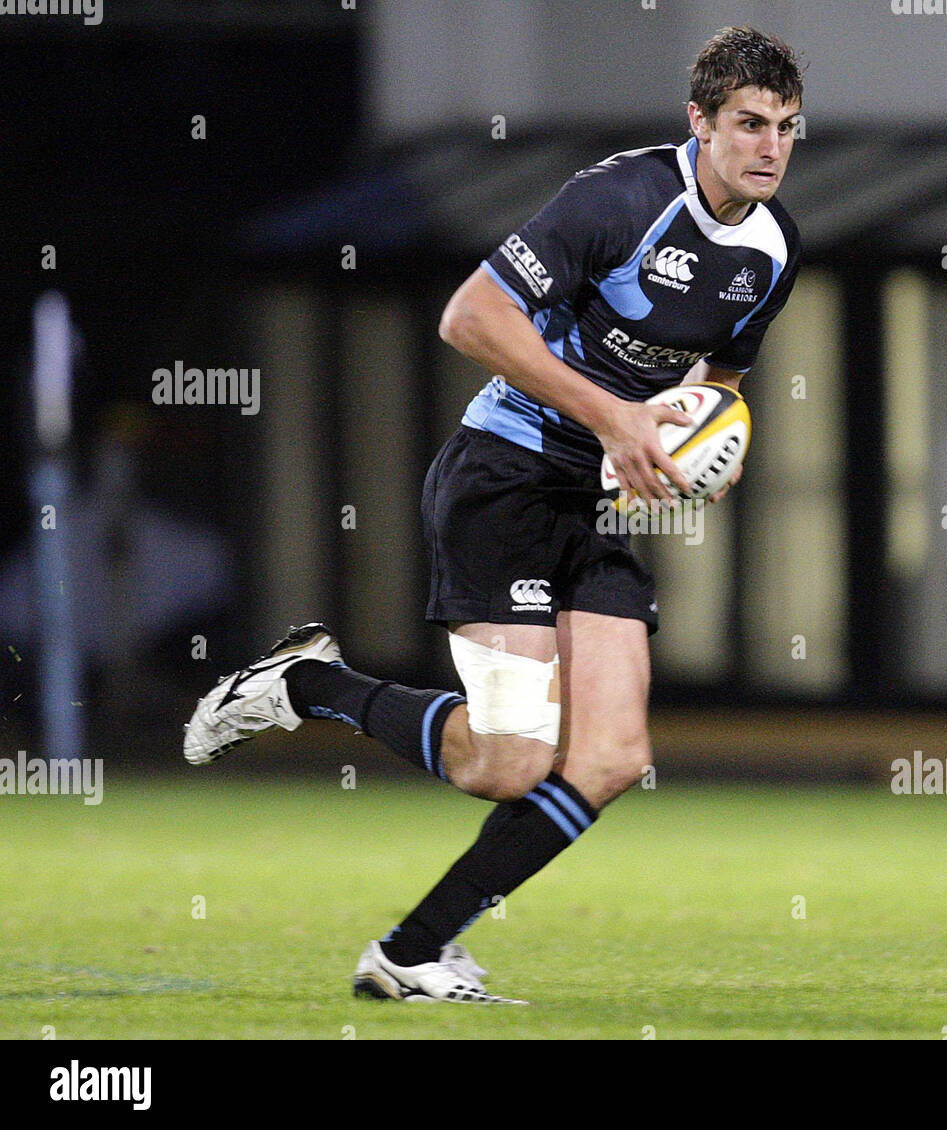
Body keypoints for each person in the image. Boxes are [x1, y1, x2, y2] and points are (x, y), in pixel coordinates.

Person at [183, 26, 803, 1004]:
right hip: (504, 480)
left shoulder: (773, 249)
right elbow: (469, 316)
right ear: (700, 121)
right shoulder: (619, 199)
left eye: (786, 128)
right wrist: (618, 418)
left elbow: (722, 373)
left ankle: (412, 948)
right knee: (505, 760)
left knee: (610, 756)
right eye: (748, 123)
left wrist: (708, 442)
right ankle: (313, 684)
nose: (770, 147)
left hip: (593, 507)